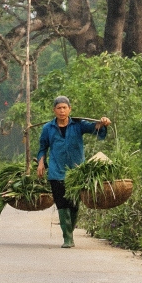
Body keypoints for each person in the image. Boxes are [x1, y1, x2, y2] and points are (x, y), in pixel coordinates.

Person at [34, 95, 111, 248]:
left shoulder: (78, 125)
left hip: (76, 171)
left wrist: (103, 123)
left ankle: (70, 232)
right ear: (54, 110)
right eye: (59, 108)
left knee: (74, 204)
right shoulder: (48, 128)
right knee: (61, 203)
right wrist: (41, 162)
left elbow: (94, 128)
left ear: (70, 109)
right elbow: (43, 147)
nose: (62, 111)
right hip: (56, 171)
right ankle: (67, 237)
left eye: (64, 108)